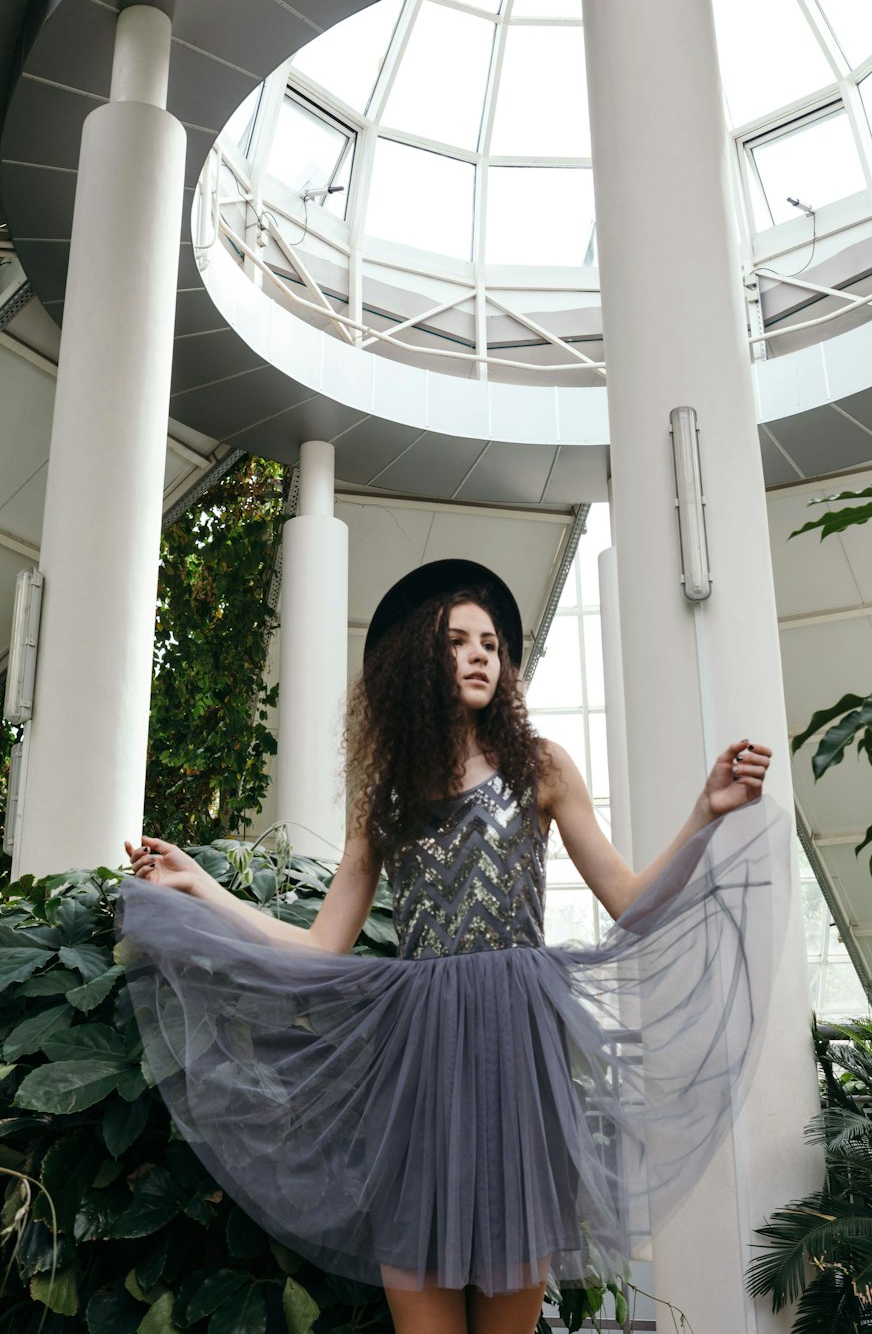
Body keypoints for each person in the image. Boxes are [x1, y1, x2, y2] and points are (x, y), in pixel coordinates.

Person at [120, 559, 784, 1334]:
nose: (480, 655)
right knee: (418, 1290)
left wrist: (707, 811)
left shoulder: (542, 767)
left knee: (510, 1291)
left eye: (493, 645)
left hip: (518, 1049)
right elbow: (322, 945)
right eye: (458, 642)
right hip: (422, 1058)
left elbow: (630, 903)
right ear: (418, 663)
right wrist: (203, 885)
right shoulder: (386, 795)